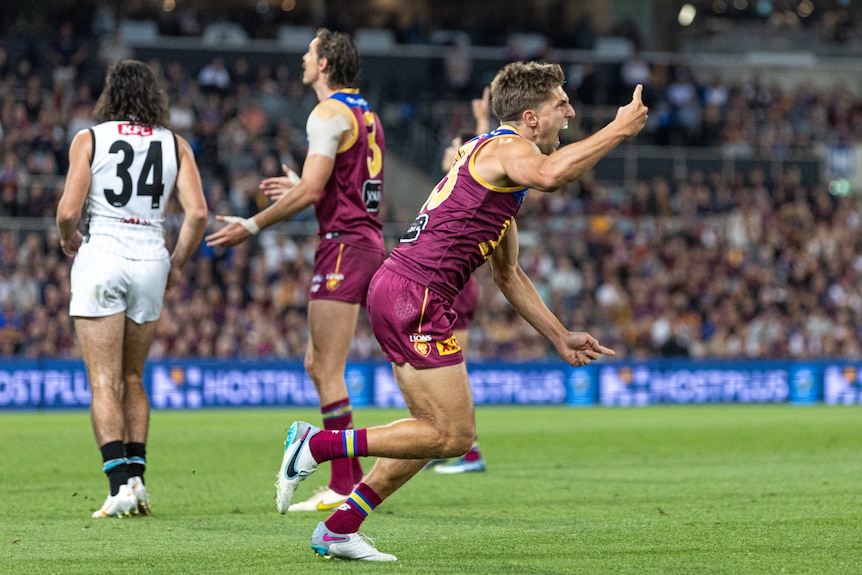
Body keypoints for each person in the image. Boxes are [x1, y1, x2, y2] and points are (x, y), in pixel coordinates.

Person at [275, 61, 648, 561]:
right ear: (531, 117)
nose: (571, 113)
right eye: (562, 105)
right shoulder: (510, 149)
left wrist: (559, 335)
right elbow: (553, 175)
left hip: (405, 288)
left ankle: (340, 527)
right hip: (416, 294)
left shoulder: (493, 163)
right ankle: (315, 447)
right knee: (454, 435)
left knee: (428, 432)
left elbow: (508, 274)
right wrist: (619, 130)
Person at [205, 28, 385, 513]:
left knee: (326, 366)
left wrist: (252, 223)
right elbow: (338, 183)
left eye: (310, 52)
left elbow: (310, 193)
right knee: (317, 363)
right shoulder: (365, 112)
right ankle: (345, 480)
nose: (303, 58)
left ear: (324, 63)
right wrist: (308, 184)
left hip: (343, 245)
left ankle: (346, 484)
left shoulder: (326, 112)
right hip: (360, 239)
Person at [56, 59, 208, 518]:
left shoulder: (91, 138)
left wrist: (69, 241)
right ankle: (138, 482)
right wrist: (176, 263)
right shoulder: (176, 144)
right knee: (133, 378)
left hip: (103, 253)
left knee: (102, 380)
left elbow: (68, 211)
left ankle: (118, 485)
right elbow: (198, 213)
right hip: (150, 260)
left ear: (110, 95)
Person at [428, 86, 491, 475]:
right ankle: (445, 439)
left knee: (453, 367)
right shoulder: (454, 185)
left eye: (455, 146)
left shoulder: (462, 176)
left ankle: (469, 450)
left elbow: (478, 155)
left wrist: (483, 124)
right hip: (455, 285)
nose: (450, 150)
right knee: (444, 367)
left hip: (455, 287)